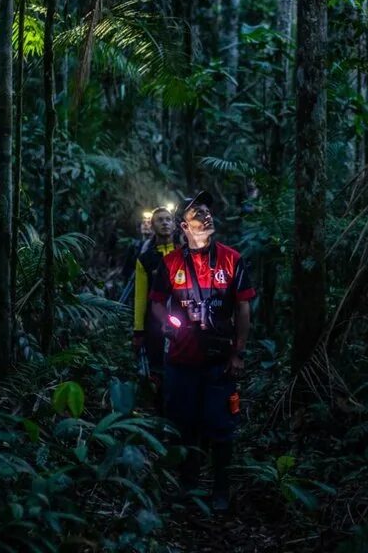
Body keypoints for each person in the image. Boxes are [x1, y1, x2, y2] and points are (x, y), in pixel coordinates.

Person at [150, 191, 253, 512]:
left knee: (221, 425)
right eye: (199, 215)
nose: (207, 217)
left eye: (208, 213)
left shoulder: (231, 258)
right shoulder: (170, 262)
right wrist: (165, 323)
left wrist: (238, 353)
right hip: (181, 359)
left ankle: (221, 489)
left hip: (220, 361)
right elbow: (155, 300)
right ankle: (188, 486)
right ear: (184, 226)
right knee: (184, 423)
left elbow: (243, 307)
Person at [131, 206, 176, 411]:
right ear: (152, 225)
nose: (165, 222)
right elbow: (140, 296)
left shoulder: (184, 254)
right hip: (155, 322)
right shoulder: (145, 259)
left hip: (182, 321)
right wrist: (138, 330)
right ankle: (158, 410)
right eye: (160, 220)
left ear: (175, 225)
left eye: (168, 219)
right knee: (156, 366)